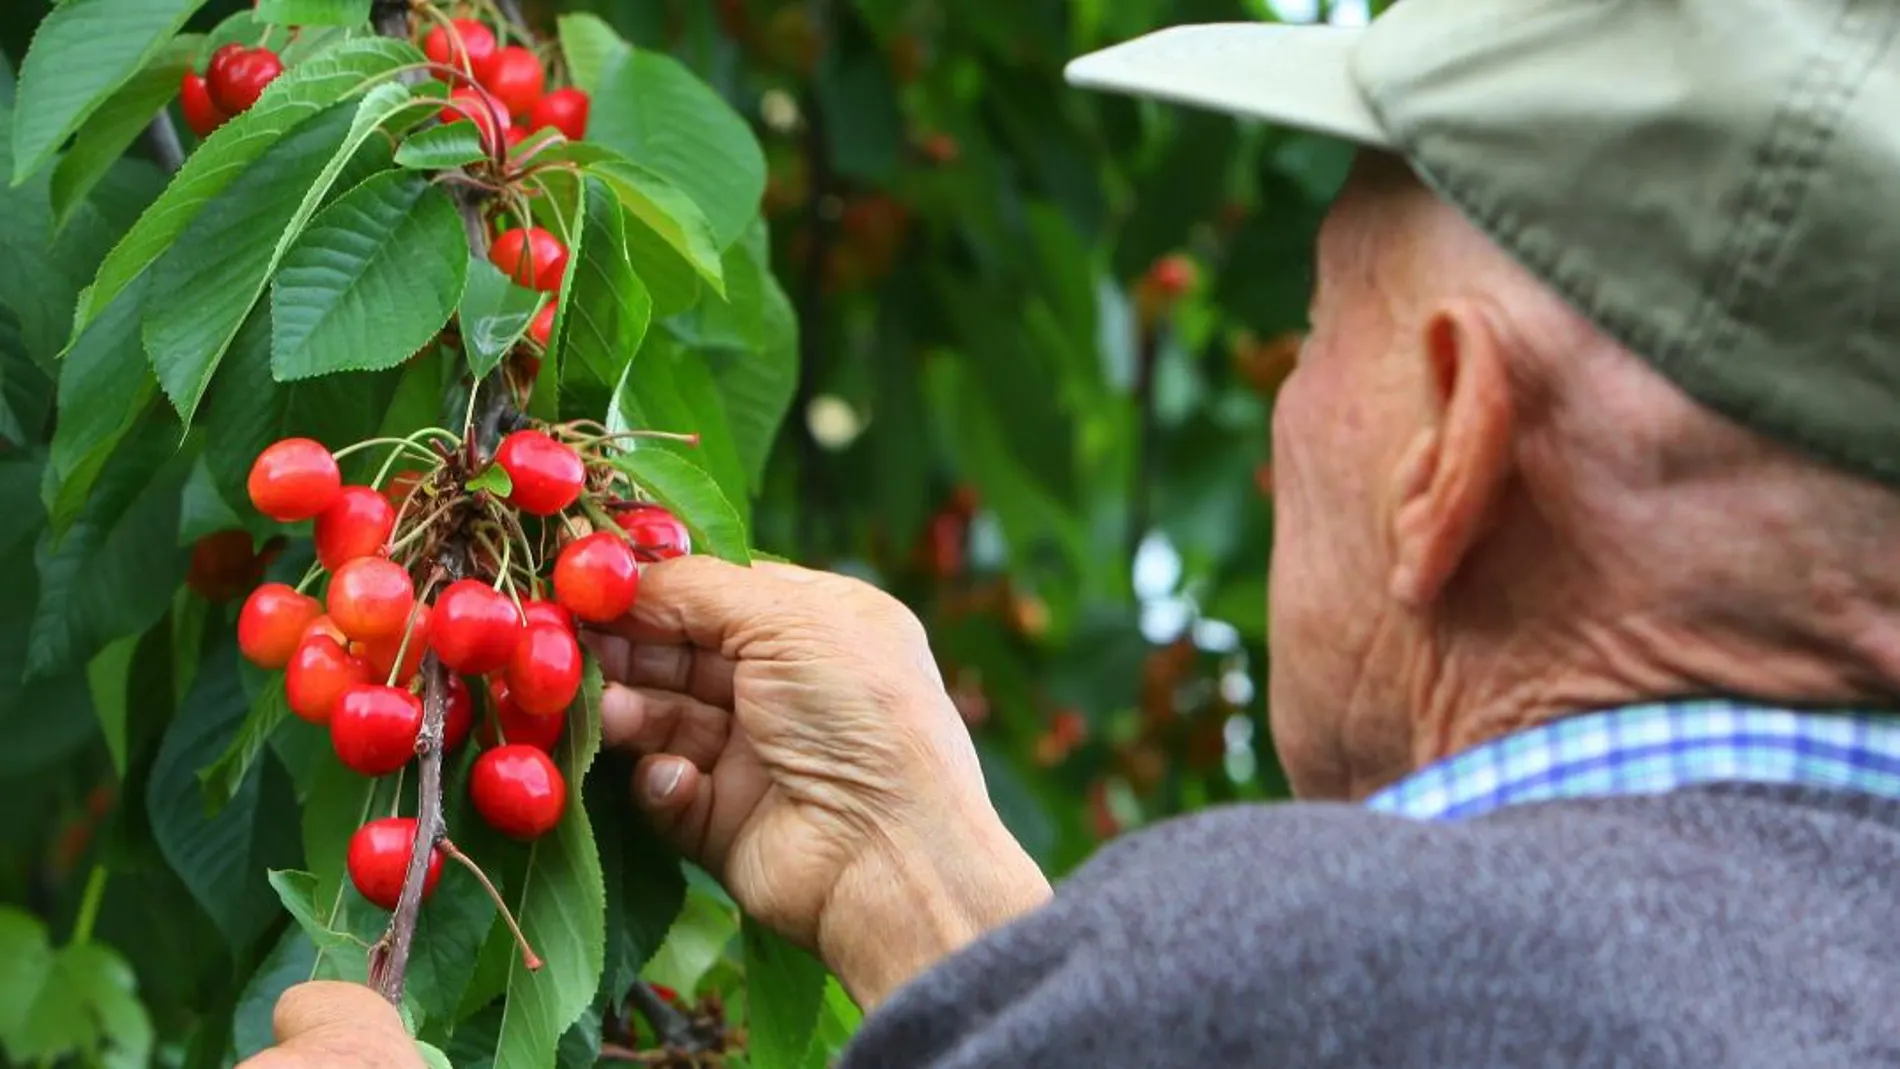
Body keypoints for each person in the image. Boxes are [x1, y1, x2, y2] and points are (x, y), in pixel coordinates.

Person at [247, 0, 1900, 1065]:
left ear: (1453, 443)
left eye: (1321, 334)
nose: (1283, 423)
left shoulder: (1316, 970)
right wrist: (933, 898)